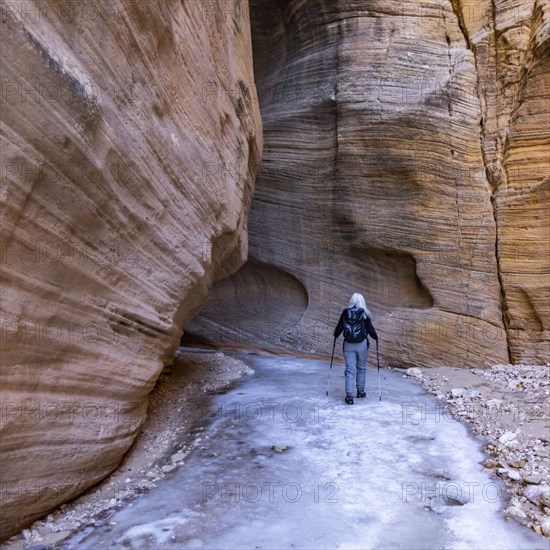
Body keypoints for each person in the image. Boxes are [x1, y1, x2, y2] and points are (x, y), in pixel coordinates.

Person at [334, 293, 378, 404]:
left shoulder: (345, 312)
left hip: (348, 344)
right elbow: (370, 329)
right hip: (362, 344)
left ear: (352, 301)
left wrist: (335, 336)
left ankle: (349, 396)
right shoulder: (365, 314)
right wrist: (376, 338)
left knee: (349, 370)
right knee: (361, 368)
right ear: (362, 302)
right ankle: (360, 391)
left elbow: (339, 327)